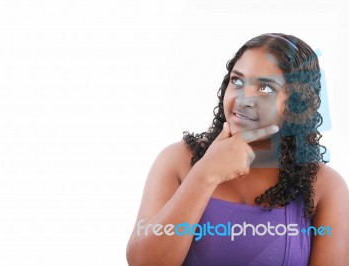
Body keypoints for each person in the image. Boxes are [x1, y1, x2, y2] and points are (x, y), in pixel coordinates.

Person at [126, 33, 349, 265]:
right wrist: (204, 174)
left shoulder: (324, 187)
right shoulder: (177, 161)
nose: (243, 99)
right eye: (238, 81)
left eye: (265, 88)